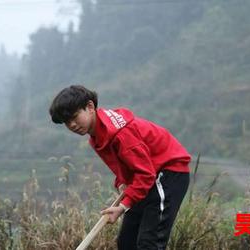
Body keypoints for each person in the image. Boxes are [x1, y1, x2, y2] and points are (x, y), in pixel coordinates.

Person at [49, 85, 190, 250]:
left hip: (167, 174)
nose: (72, 125)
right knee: (126, 242)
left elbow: (145, 174)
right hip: (145, 178)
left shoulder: (120, 133)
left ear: (90, 107)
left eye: (74, 117)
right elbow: (125, 168)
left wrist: (123, 206)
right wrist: (122, 183)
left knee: (149, 243)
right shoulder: (97, 137)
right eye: (67, 122)